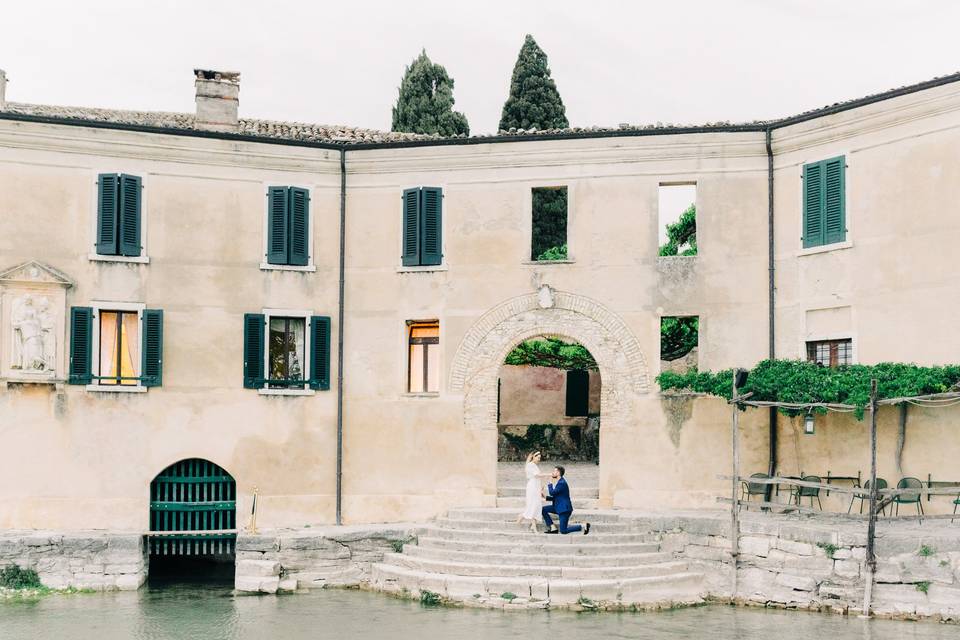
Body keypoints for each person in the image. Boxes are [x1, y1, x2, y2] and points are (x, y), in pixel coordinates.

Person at [541, 466, 590, 535]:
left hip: (564, 509)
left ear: (558, 473)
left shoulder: (562, 483)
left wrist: (550, 483)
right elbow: (558, 497)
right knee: (543, 509)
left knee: (563, 530)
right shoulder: (559, 482)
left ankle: (583, 526)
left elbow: (552, 493)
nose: (552, 473)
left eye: (554, 471)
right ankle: (553, 527)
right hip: (558, 507)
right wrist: (545, 497)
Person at [516, 451, 549, 533]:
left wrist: (541, 487)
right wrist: (548, 474)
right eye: (538, 458)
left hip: (536, 486)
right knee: (533, 504)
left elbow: (538, 477)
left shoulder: (534, 465)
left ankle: (533, 526)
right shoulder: (530, 465)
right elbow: (536, 475)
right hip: (532, 487)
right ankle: (522, 516)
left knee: (536, 505)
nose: (539, 459)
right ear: (533, 457)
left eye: (540, 458)